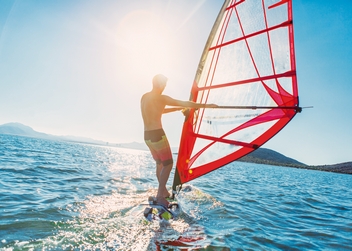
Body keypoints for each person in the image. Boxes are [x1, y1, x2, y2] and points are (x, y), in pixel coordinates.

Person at [141, 74, 218, 207]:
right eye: (164, 84)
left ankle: (163, 192)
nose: (165, 87)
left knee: (159, 163)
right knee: (168, 164)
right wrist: (206, 105)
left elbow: (160, 110)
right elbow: (185, 102)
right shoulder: (162, 98)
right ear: (160, 84)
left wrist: (178, 109)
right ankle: (160, 196)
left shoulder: (145, 97)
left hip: (147, 136)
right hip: (158, 135)